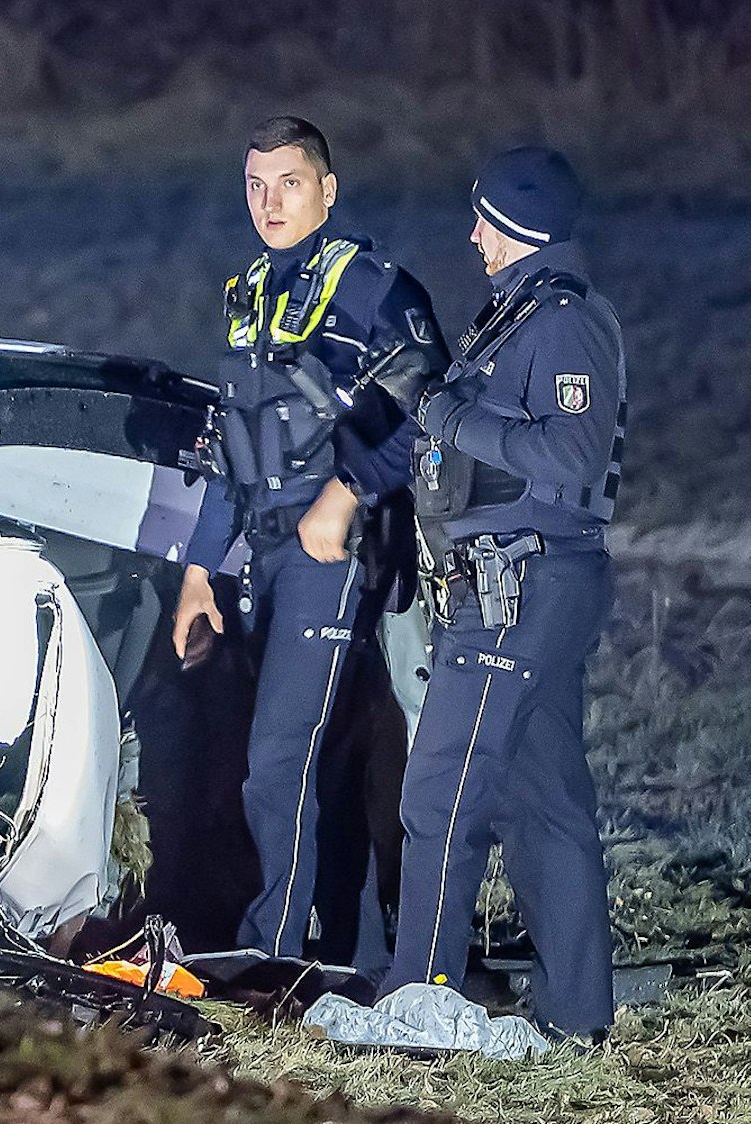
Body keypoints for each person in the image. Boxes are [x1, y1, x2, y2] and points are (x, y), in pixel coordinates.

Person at [174, 116, 449, 964]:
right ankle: (354, 954)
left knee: (278, 758)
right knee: (317, 763)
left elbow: (434, 411)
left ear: (327, 190)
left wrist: (346, 491)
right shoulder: (251, 293)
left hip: (333, 558)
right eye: (255, 186)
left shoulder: (369, 289)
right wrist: (197, 572)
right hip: (264, 558)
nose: (270, 203)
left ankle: (271, 958)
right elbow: (234, 448)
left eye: (289, 184)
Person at [382, 146, 626, 1041]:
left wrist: (445, 412)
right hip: (518, 582)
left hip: (521, 584)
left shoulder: (563, 320)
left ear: (519, 226)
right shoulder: (518, 313)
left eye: (484, 219)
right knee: (541, 799)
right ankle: (578, 1016)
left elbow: (571, 452)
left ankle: (420, 1001)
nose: (472, 234)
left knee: (441, 793)